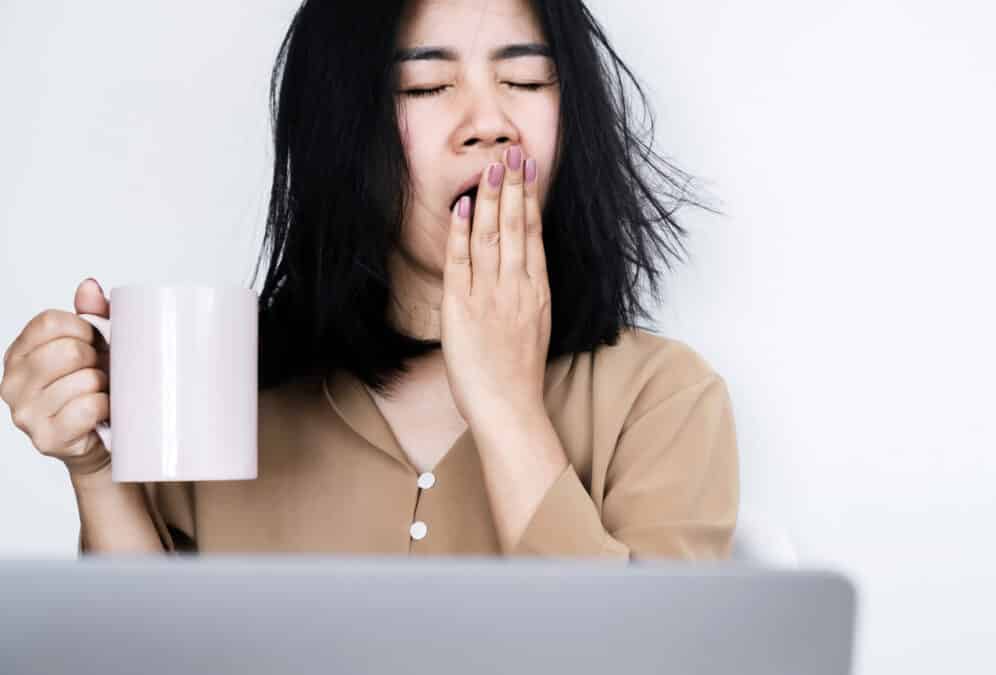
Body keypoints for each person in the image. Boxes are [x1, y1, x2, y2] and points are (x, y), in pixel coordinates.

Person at [0, 0, 738, 559]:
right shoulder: (223, 384)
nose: (490, 121)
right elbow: (148, 657)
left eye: (525, 78)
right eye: (424, 85)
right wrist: (94, 463)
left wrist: (509, 406)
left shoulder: (662, 397)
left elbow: (644, 657)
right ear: (341, 127)